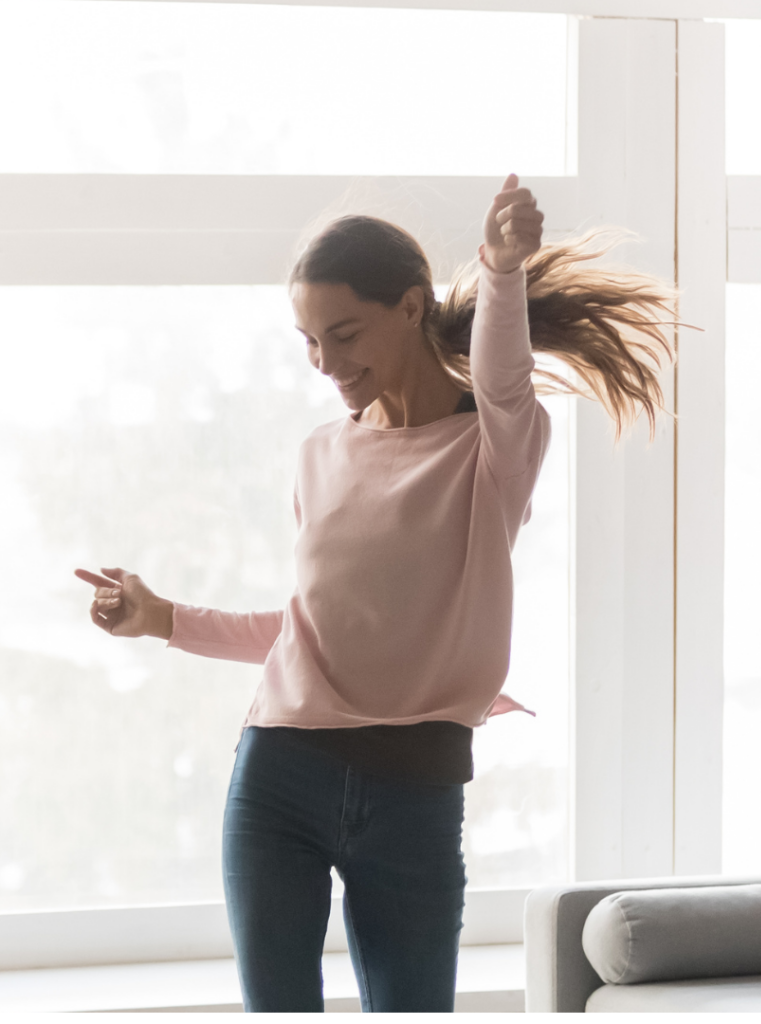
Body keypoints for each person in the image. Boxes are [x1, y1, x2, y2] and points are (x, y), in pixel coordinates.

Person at [75, 174, 679, 1013]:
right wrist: (162, 619)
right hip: (278, 776)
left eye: (345, 332)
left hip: (414, 793)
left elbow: (505, 382)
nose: (326, 363)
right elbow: (313, 628)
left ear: (410, 307)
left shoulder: (492, 451)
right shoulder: (321, 454)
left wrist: (503, 271)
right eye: (309, 341)